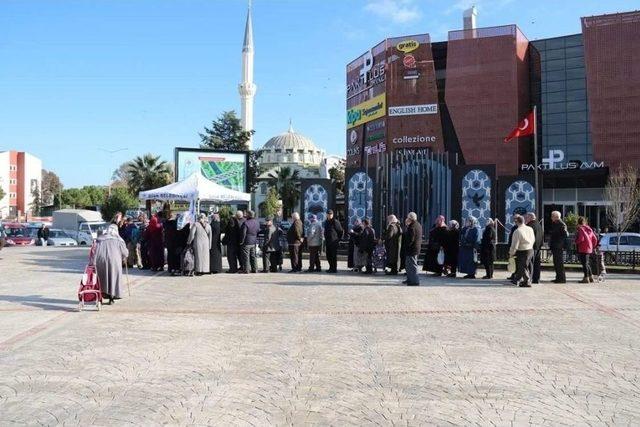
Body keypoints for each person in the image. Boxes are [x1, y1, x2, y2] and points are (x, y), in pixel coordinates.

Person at [94, 224, 129, 305]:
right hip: (115, 262)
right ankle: (111, 298)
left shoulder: (100, 239)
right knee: (113, 278)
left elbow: (95, 251)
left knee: (103, 279)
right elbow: (125, 253)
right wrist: (125, 256)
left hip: (101, 261)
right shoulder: (119, 240)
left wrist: (93, 262)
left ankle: (102, 296)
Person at [509, 214, 535, 287]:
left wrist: (511, 253)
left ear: (516, 222)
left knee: (523, 266)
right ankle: (517, 279)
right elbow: (533, 239)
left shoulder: (517, 231)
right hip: (530, 249)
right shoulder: (530, 229)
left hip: (522, 250)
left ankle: (527, 281)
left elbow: (515, 244)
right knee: (524, 266)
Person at [575, 216, 598, 283]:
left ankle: (586, 278)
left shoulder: (580, 229)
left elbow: (581, 239)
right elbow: (595, 239)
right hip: (589, 248)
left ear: (578, 223)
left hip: (583, 248)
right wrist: (592, 246)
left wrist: (575, 242)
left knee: (584, 264)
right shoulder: (589, 229)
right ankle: (591, 277)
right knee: (587, 263)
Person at [402, 212, 422, 286]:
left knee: (412, 265)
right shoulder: (417, 224)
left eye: (407, 217)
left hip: (412, 249)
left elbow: (411, 239)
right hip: (414, 249)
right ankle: (410, 279)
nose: (406, 219)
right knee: (409, 265)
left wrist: (406, 246)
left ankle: (415, 281)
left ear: (410, 218)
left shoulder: (412, 226)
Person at [549, 210, 568, 284]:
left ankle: (562, 279)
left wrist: (560, 244)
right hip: (555, 246)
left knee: (559, 263)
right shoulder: (555, 223)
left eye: (552, 216)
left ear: (556, 217)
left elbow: (565, 235)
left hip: (558, 247)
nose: (551, 218)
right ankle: (558, 278)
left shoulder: (561, 224)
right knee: (556, 263)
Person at [525, 213, 543, 284]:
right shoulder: (539, 225)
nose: (526, 219)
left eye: (527, 217)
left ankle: (530, 278)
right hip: (538, 247)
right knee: (537, 264)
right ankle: (536, 279)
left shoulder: (530, 226)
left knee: (530, 264)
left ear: (530, 218)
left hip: (531, 247)